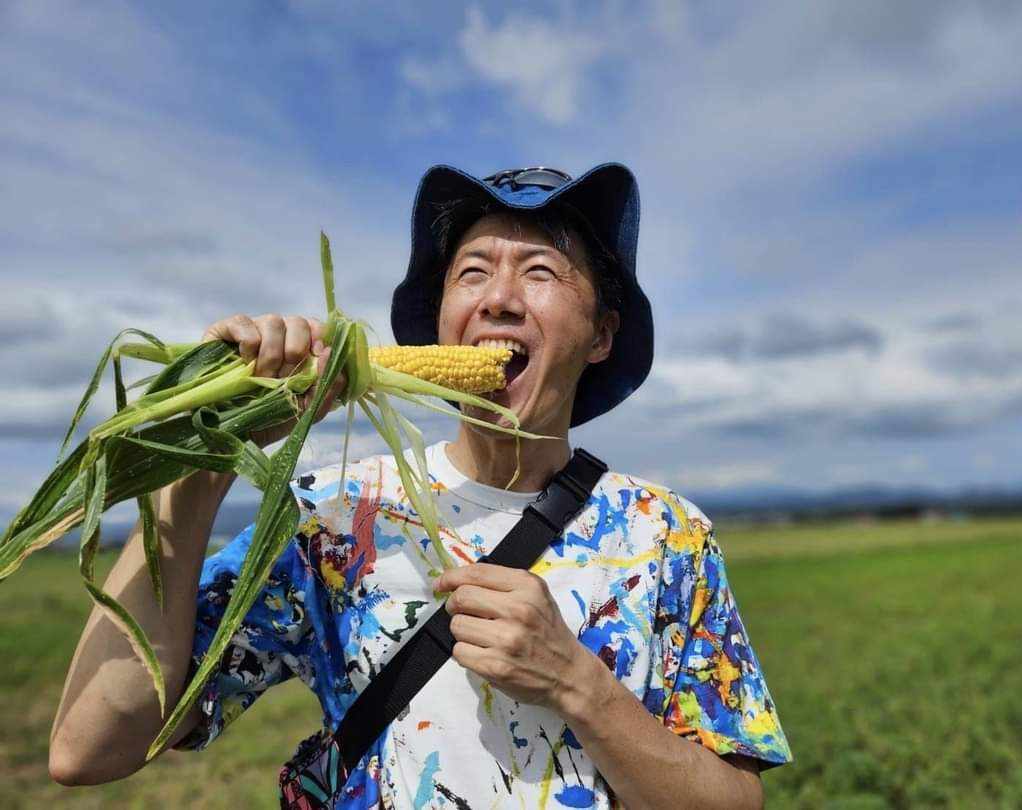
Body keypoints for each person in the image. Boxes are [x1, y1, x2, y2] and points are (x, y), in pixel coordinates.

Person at [49, 164, 792, 808]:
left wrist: (578, 684)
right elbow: (90, 749)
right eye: (472, 272)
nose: (498, 298)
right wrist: (198, 475)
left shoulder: (666, 535)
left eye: (540, 271)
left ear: (601, 334)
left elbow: (733, 800)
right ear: (440, 322)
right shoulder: (332, 515)